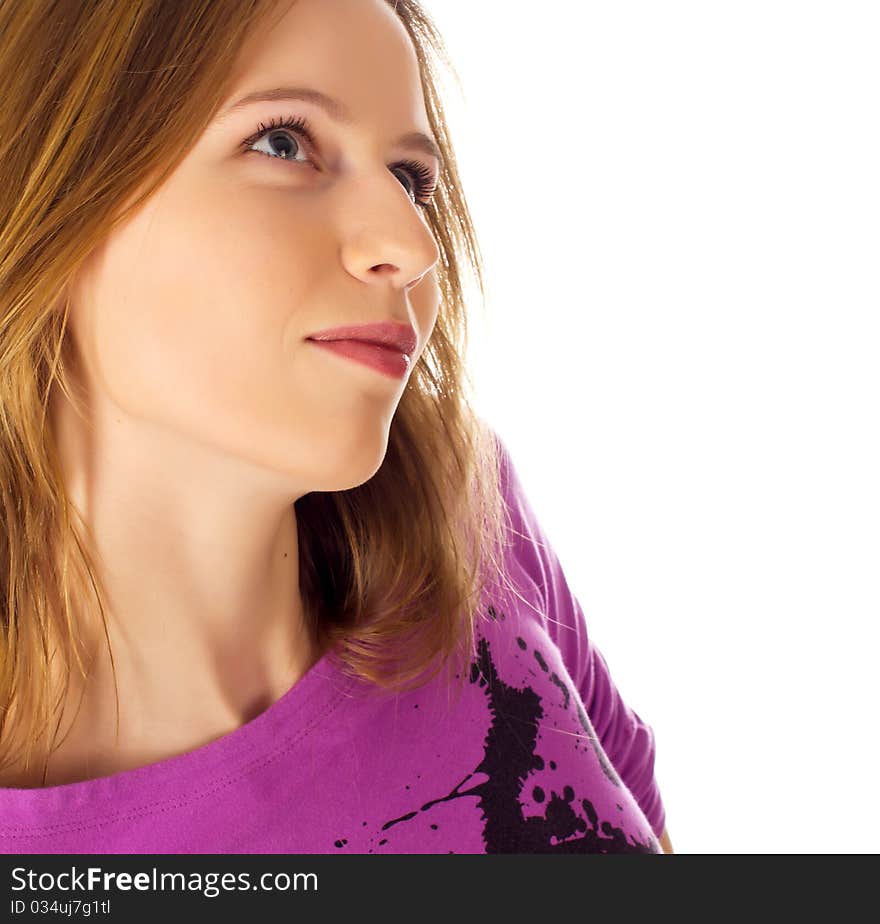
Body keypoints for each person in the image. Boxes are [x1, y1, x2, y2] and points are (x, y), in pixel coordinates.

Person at [0, 0, 672, 854]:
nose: (411, 242)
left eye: (410, 178)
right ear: (41, 186)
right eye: (283, 142)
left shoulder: (470, 513)